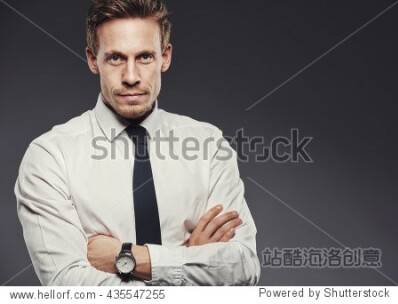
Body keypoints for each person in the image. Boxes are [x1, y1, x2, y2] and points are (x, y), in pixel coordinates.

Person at [14, 0, 260, 286]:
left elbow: (243, 266)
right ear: (93, 60)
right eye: (116, 58)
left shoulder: (209, 145)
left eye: (144, 57)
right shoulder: (50, 157)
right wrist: (188, 258)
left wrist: (128, 257)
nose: (131, 77)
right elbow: (68, 284)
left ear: (165, 57)